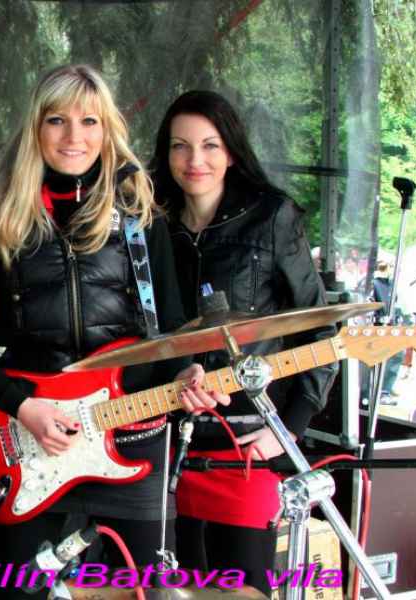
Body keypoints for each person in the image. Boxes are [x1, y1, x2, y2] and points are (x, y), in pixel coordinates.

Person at [0, 64, 227, 598]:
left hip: (134, 437)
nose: (74, 136)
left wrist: (187, 371)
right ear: (36, 128)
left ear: (107, 129)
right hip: (26, 439)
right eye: (57, 120)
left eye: (89, 121)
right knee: (22, 591)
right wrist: (20, 405)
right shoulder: (1, 217)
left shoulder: (140, 213)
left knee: (140, 590)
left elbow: (169, 330)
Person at [150, 90, 338, 595]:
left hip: (247, 446)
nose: (195, 160)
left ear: (231, 151)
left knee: (242, 591)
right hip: (166, 443)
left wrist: (289, 429)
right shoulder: (150, 224)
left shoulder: (271, 217)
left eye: (210, 145)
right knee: (172, 589)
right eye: (180, 146)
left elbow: (320, 328)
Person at [378, 224, 416, 405]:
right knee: (398, 351)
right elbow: (403, 283)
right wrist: (408, 311)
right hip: (408, 309)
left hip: (415, 310)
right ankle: (383, 391)